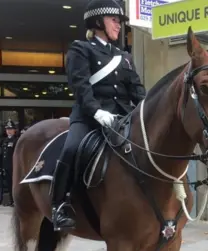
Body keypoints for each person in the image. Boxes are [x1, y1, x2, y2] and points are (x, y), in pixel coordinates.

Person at [51, 0, 147, 232]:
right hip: (89, 116)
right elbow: (80, 86)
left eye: (119, 21)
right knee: (72, 147)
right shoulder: (80, 49)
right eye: (114, 20)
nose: (118, 26)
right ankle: (59, 205)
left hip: (122, 118)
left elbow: (137, 90)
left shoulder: (124, 56)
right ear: (97, 22)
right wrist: (96, 111)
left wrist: (147, 110)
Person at [1, 120, 18, 206]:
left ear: (14, 130)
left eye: (10, 129)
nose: (9, 131)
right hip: (6, 166)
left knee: (14, 184)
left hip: (13, 166)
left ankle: (15, 201)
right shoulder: (5, 140)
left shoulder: (16, 140)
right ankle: (11, 200)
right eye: (7, 129)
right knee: (9, 184)